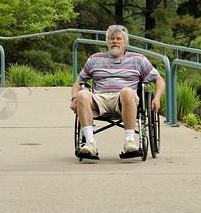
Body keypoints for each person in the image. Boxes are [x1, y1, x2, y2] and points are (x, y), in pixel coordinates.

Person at [70, 25, 165, 158]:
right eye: (111, 38)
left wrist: (157, 98)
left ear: (125, 43)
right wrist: (74, 99)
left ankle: (129, 141)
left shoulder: (138, 59)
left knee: (126, 91)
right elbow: (78, 83)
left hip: (125, 100)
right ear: (107, 42)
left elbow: (159, 80)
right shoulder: (94, 59)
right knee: (82, 94)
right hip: (100, 99)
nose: (115, 41)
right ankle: (90, 143)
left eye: (119, 39)